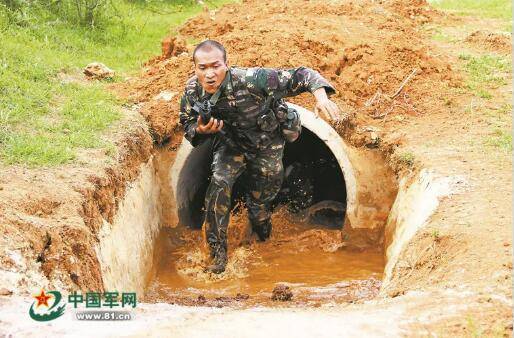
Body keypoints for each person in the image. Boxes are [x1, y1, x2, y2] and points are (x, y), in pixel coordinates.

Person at [179, 40, 341, 273]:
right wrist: (200, 130)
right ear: (195, 68)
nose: (210, 74)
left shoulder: (253, 80)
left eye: (215, 66)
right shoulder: (193, 90)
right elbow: (187, 123)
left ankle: (263, 235)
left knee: (259, 208)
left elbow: (303, 74)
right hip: (230, 145)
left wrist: (322, 99)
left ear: (226, 64)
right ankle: (217, 256)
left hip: (267, 145)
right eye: (202, 68)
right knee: (219, 183)